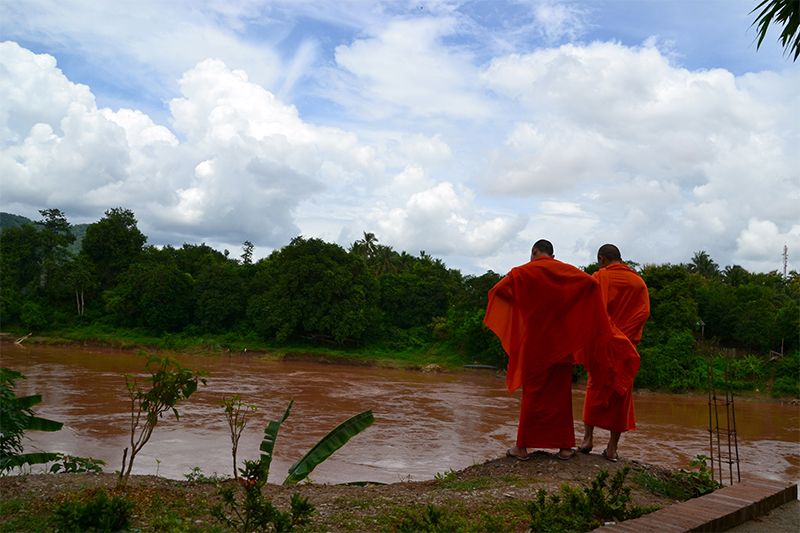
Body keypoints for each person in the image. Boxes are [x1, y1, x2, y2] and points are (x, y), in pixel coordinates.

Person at [484, 239, 617, 461]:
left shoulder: (523, 272)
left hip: (535, 342)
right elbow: (591, 285)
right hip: (562, 344)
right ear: (552, 255)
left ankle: (522, 448)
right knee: (560, 397)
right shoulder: (567, 271)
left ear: (535, 252)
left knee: (532, 396)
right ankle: (564, 448)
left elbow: (497, 291)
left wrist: (521, 303)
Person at [578, 244, 650, 462]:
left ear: (602, 259)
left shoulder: (599, 278)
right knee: (621, 393)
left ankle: (587, 439)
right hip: (626, 347)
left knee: (594, 387)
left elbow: (590, 309)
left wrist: (609, 333)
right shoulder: (638, 282)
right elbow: (644, 313)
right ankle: (612, 448)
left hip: (603, 344)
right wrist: (623, 336)